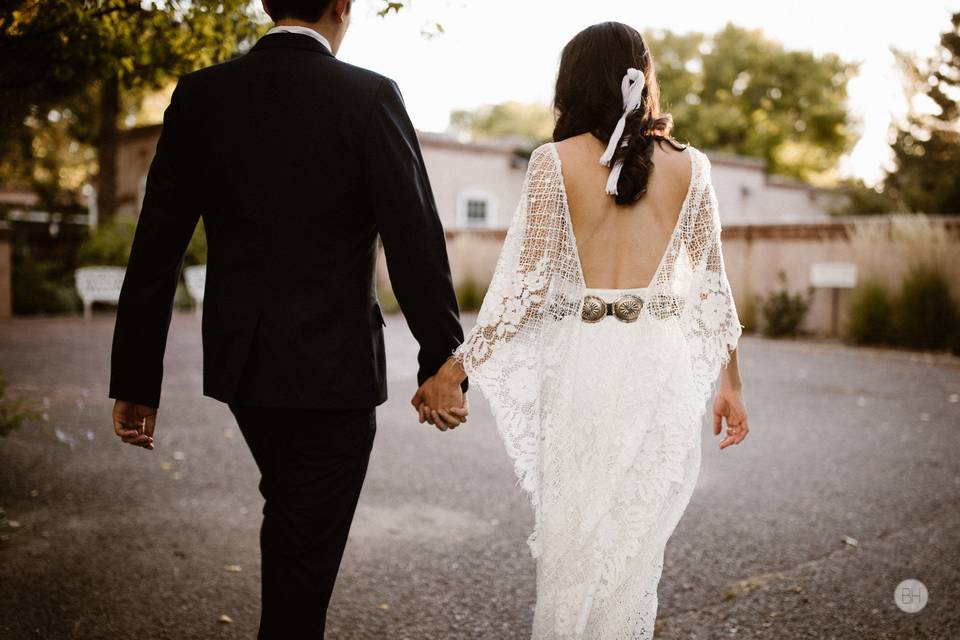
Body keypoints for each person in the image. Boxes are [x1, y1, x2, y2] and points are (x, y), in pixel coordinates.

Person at [108, 0, 468, 636]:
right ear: (342, 7)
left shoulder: (202, 95)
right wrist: (443, 358)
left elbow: (155, 248)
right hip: (335, 376)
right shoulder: (369, 96)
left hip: (244, 369)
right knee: (303, 556)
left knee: (293, 517)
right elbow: (414, 239)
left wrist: (136, 381)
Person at [415, 22, 751, 639]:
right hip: (661, 370)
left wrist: (450, 371)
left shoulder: (555, 162)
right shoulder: (692, 167)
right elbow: (713, 288)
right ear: (642, 79)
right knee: (631, 551)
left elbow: (522, 291)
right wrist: (731, 384)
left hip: (584, 370)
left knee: (577, 547)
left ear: (572, 83)